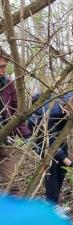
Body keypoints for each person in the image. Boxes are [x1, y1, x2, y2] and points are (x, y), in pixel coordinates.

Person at [28, 92, 73, 207]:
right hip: (43, 138)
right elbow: (50, 141)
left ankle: (54, 203)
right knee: (52, 171)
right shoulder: (51, 112)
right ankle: (52, 205)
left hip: (59, 136)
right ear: (65, 107)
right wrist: (69, 162)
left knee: (62, 169)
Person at [0, 47, 31, 192]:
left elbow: (16, 112)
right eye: (1, 67)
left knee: (12, 184)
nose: (3, 71)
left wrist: (27, 136)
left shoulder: (7, 83)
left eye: (5, 67)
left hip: (5, 141)